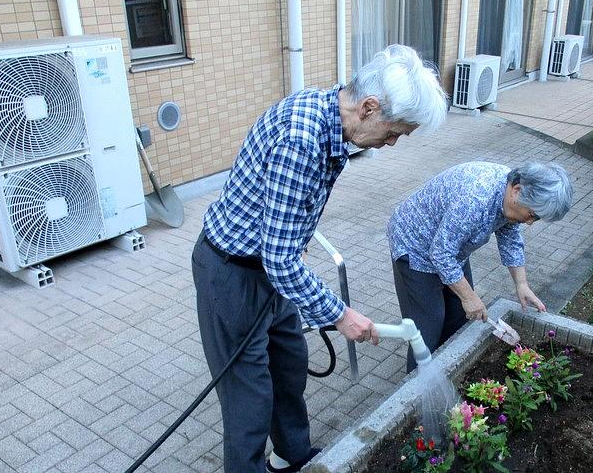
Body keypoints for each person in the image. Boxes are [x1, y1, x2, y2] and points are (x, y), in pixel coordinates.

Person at [191, 44, 447, 473]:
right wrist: (340, 314)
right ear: (369, 107)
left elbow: (282, 234)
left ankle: (292, 458)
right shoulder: (303, 140)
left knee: (288, 367)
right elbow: (279, 259)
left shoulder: (330, 118)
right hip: (232, 274)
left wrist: (294, 239)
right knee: (248, 399)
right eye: (394, 131)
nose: (391, 143)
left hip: (269, 270)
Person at [387, 161, 573, 372]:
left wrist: (521, 284)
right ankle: (419, 389)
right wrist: (468, 297)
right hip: (415, 245)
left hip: (449, 246)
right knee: (428, 324)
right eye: (532, 215)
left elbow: (510, 235)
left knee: (459, 315)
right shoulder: (476, 199)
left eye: (536, 218)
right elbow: (440, 253)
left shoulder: (510, 195)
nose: (530, 222)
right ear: (517, 190)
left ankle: (447, 369)